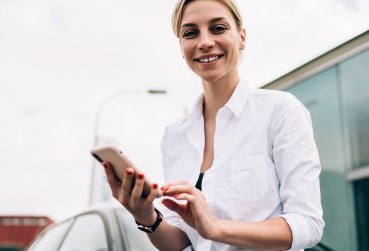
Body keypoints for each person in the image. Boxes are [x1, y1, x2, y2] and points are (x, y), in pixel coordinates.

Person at [103, 0, 324, 250]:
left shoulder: (280, 111)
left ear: (241, 37)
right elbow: (182, 242)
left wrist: (215, 228)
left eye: (218, 28)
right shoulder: (174, 136)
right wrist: (146, 217)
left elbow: (308, 223)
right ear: (182, 46)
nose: (205, 41)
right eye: (190, 33)